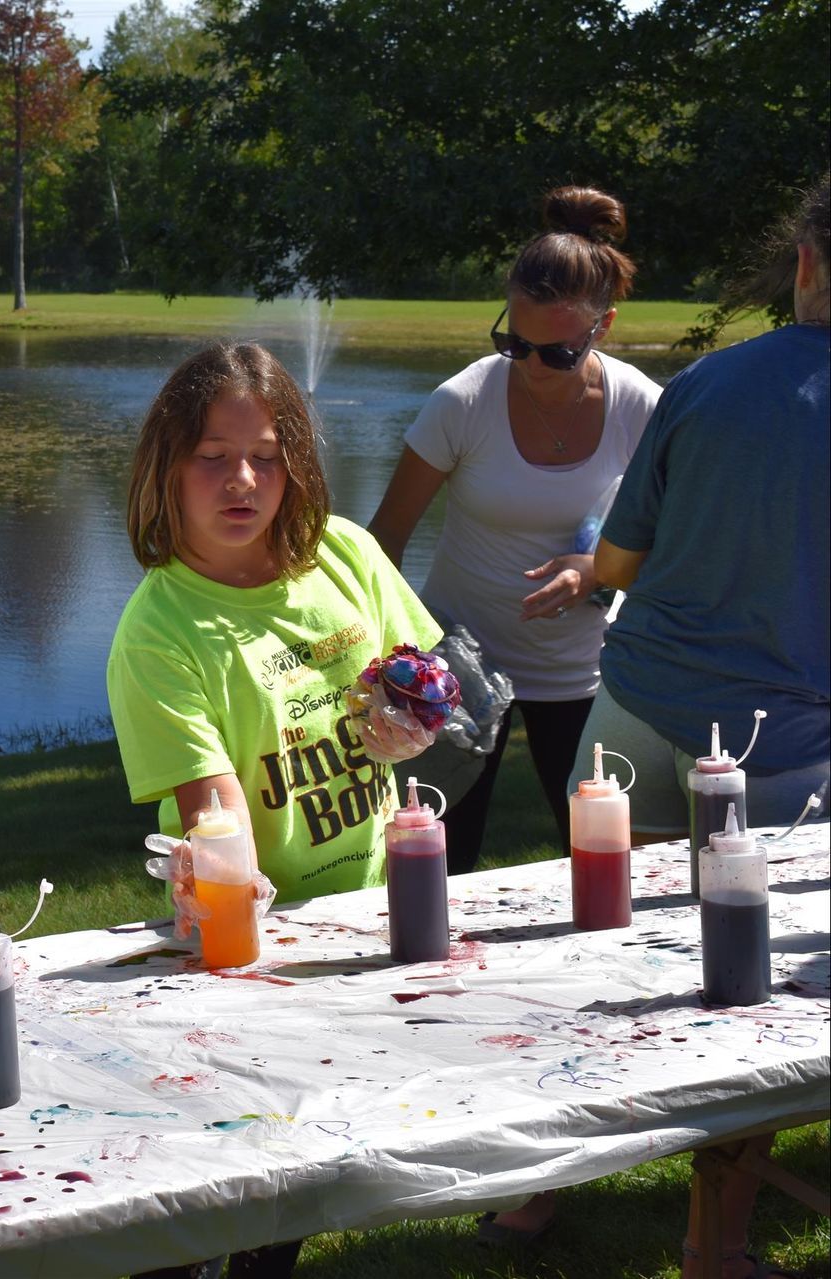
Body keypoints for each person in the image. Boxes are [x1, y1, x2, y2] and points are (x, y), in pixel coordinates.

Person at [106, 342, 438, 1279]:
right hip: (260, 948)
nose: (241, 479)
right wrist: (230, 879)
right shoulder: (158, 629)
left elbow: (419, 689)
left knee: (299, 1177)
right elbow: (213, 814)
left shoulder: (349, 554)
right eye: (212, 456)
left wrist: (410, 721)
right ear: (167, 468)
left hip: (373, 913)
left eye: (264, 454)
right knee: (209, 1172)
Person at [587, 177, 829, 1279]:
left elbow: (619, 562)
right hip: (784, 748)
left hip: (632, 712)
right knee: (747, 1005)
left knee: (584, 953)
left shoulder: (711, 379)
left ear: (808, 265)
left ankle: (535, 1201)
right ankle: (714, 1243)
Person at [368, 186, 662, 875]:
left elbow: (676, 544)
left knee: (602, 865)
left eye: (554, 353)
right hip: (460, 675)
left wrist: (595, 571)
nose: (528, 365)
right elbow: (382, 541)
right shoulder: (462, 402)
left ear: (605, 325)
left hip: (587, 675)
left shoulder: (642, 407)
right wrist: (396, 668)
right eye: (513, 342)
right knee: (439, 862)